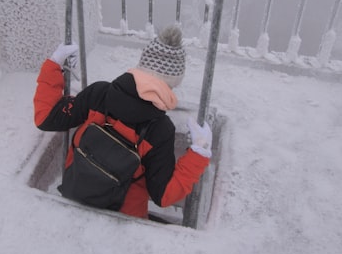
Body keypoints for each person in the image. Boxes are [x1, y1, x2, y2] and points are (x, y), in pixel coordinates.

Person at [33, 26, 213, 219]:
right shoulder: (160, 129)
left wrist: (54, 64)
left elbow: (46, 118)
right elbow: (163, 196)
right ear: (173, 83)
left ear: (141, 66)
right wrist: (199, 152)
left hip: (75, 195)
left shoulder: (98, 94)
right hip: (123, 219)